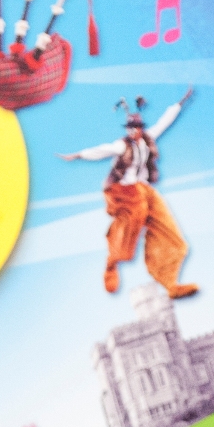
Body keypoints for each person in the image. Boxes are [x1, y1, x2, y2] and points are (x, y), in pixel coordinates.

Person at [60, 89, 196, 297]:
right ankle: (113, 261)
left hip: (144, 189)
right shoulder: (122, 145)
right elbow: (104, 150)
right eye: (130, 129)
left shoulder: (149, 139)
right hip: (125, 190)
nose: (132, 132)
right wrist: (79, 155)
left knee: (170, 232)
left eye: (135, 128)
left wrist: (181, 103)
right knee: (132, 220)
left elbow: (164, 122)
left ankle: (170, 283)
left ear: (141, 129)